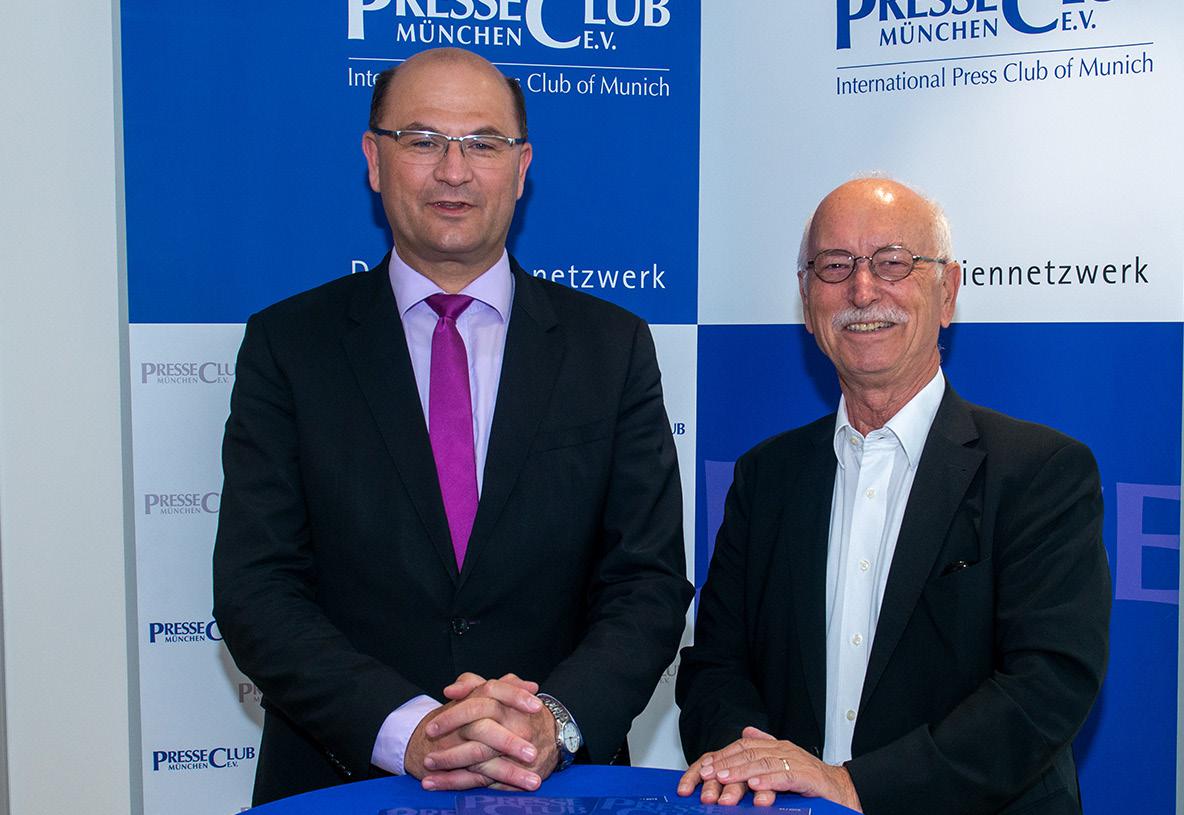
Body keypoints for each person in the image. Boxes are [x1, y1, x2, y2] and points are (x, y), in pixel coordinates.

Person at [213, 47, 691, 806]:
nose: (454, 170)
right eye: (423, 140)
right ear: (374, 159)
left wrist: (552, 722)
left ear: (522, 166)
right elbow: (257, 588)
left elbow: (647, 582)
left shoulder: (611, 347)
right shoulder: (288, 346)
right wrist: (410, 730)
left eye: (483, 143)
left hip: (560, 785)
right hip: (341, 782)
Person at [675, 178, 1110, 814]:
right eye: (834, 266)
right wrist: (757, 768)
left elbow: (1045, 688)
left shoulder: (1041, 473)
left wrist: (855, 788)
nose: (862, 290)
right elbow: (716, 668)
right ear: (806, 300)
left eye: (893, 263)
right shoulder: (767, 476)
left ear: (947, 292)